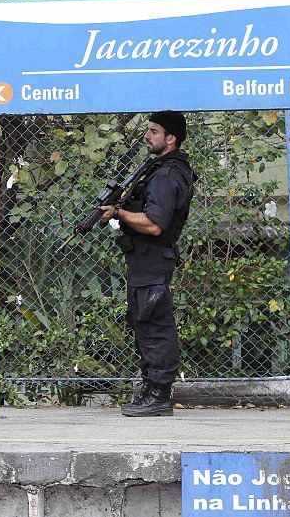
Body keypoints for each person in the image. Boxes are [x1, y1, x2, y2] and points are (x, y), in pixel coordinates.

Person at [100, 110, 195, 417]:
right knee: (143, 322)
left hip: (153, 259)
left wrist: (118, 213)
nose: (147, 135)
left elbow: (155, 224)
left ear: (171, 139)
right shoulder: (158, 169)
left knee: (155, 325)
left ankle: (159, 394)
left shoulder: (167, 175)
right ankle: (151, 389)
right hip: (144, 260)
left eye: (154, 131)